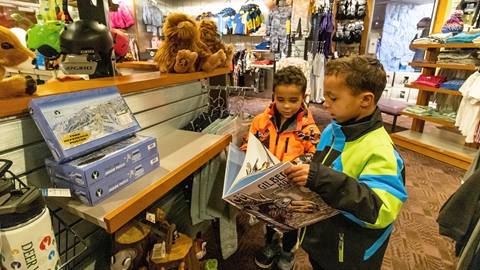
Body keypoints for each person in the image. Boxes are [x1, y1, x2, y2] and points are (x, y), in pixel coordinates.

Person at [284, 56, 408, 270]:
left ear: (365, 100)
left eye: (333, 98)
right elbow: (321, 169)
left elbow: (379, 210)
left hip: (350, 255)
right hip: (322, 240)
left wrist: (320, 178)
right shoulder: (333, 130)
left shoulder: (381, 150)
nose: (325, 103)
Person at [241, 66, 320, 270]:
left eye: (293, 100)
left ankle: (287, 250)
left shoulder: (308, 128)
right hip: (266, 183)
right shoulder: (260, 122)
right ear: (273, 96)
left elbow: (317, 154)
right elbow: (250, 144)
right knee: (268, 216)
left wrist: (300, 165)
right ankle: (269, 245)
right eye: (281, 99)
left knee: (291, 221)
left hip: (293, 186)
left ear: (303, 97)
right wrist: (246, 154)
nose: (286, 106)